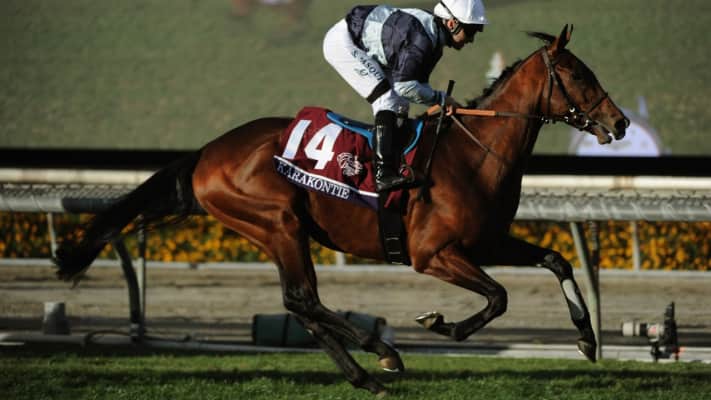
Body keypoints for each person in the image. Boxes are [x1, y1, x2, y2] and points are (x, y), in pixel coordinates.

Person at [323, 0, 487, 192]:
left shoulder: (434, 38)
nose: (471, 39)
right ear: (452, 23)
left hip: (364, 39)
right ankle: (383, 174)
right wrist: (441, 99)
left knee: (400, 105)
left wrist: (443, 102)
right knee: (386, 99)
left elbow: (417, 85)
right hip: (345, 43)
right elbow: (405, 87)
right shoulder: (423, 41)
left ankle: (396, 162)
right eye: (471, 31)